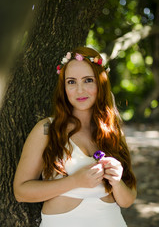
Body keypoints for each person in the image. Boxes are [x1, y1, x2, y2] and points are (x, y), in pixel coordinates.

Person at [13, 46, 137, 227]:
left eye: (88, 80)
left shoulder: (112, 131)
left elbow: (127, 200)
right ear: (64, 88)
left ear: (100, 83)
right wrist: (75, 181)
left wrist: (117, 182)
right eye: (71, 82)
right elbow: (21, 192)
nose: (80, 90)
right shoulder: (47, 129)